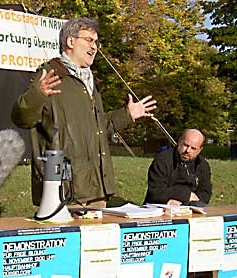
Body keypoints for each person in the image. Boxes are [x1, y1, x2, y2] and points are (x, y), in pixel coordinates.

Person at [11, 17, 157, 209]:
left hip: (97, 187)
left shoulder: (88, 80)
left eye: (96, 42)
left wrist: (128, 114)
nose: (94, 47)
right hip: (65, 190)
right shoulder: (50, 75)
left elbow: (97, 126)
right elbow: (21, 118)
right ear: (70, 41)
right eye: (89, 40)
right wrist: (38, 94)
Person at [143, 128, 212, 207]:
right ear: (179, 141)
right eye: (185, 145)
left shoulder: (202, 165)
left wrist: (188, 204)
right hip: (160, 207)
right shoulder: (162, 160)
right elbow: (155, 192)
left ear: (200, 150)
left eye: (193, 148)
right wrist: (185, 195)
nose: (188, 150)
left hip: (191, 207)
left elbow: (206, 193)